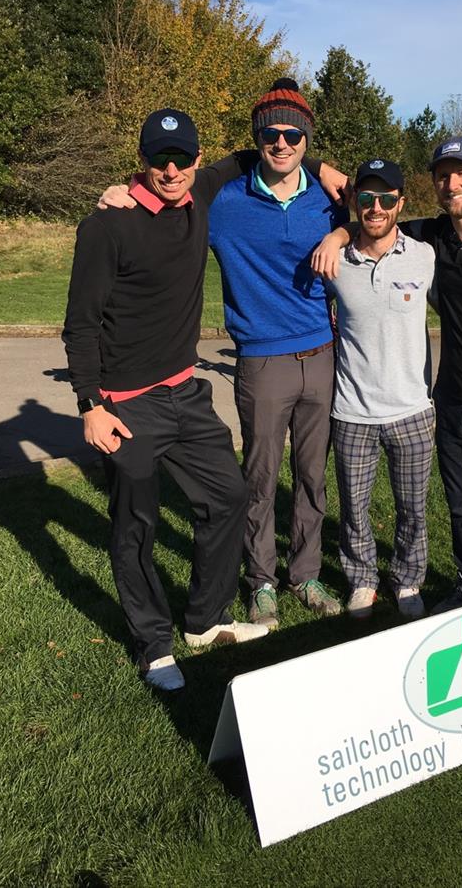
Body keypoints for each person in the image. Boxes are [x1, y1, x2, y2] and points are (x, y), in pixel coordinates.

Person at [99, 80, 349, 631]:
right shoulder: (224, 202)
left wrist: (344, 226)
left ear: (307, 138)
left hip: (323, 355)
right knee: (257, 480)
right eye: (270, 134)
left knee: (311, 477)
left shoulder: (330, 200)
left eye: (292, 134)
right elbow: (163, 202)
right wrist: (123, 188)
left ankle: (303, 574)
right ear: (256, 138)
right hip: (262, 362)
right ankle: (261, 581)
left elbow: (380, 216)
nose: (281, 143)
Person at [63, 109, 269, 693]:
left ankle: (205, 620)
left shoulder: (201, 191)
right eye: (160, 160)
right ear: (142, 161)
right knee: (136, 525)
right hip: (126, 405)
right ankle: (154, 644)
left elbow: (260, 151)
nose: (172, 169)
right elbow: (80, 324)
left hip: (187, 395)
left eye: (182, 158)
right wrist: (90, 405)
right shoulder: (108, 225)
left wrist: (328, 173)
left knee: (228, 496)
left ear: (198, 160)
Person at [312, 136, 462, 613]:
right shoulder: (432, 239)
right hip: (448, 399)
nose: (453, 182)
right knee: (460, 508)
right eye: (444, 175)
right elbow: (374, 224)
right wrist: (337, 234)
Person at [325, 159, 436, 620]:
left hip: (412, 411)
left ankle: (408, 580)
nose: (376, 208)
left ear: (400, 204)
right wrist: (338, 235)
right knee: (354, 510)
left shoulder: (424, 255)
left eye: (386, 199)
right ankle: (363, 579)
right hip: (352, 412)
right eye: (366, 198)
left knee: (413, 510)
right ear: (355, 202)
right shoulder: (333, 261)